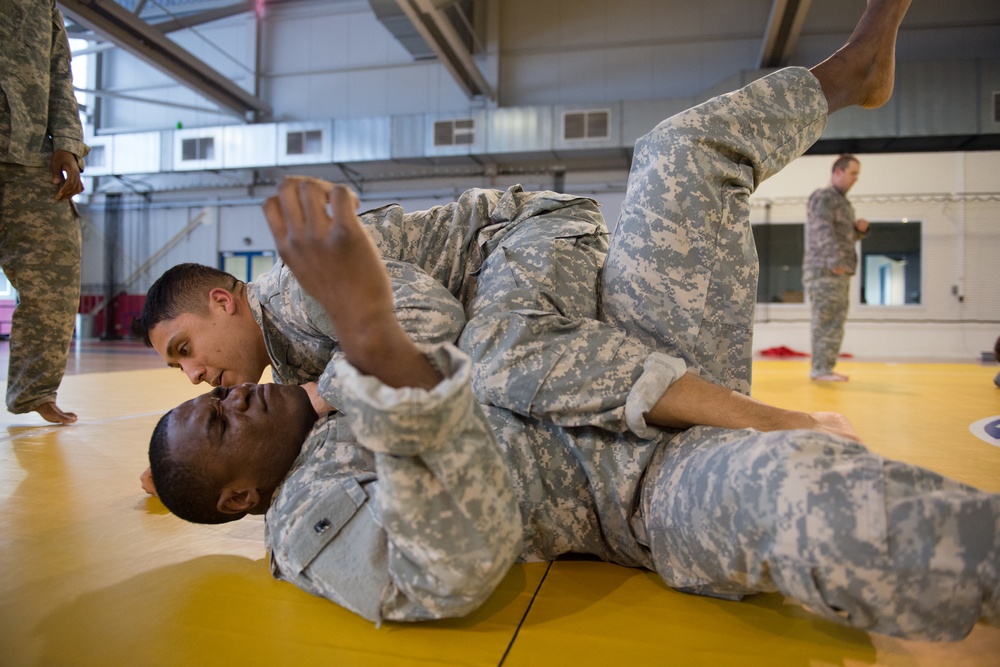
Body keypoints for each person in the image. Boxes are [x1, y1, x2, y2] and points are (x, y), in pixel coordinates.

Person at [149, 0, 1000, 641]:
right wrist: (365, 368)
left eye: (194, 366)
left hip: (582, 303)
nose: (217, 391)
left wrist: (360, 362)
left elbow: (431, 324)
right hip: (646, 490)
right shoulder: (308, 508)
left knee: (502, 350)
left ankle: (844, 75)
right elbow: (452, 571)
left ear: (226, 299)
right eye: (214, 419)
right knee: (800, 495)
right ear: (243, 496)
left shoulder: (304, 306)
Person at [0, 0, 88, 424]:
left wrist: (68, 141)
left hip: (30, 154)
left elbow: (60, 70)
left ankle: (34, 389)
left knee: (56, 271)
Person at [802, 154, 869, 382]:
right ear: (837, 172)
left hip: (835, 271)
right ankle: (820, 369)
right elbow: (822, 232)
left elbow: (840, 236)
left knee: (835, 320)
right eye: (853, 173)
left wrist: (858, 231)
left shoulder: (843, 202)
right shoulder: (824, 198)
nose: (855, 179)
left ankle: (825, 368)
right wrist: (835, 263)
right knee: (826, 319)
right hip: (825, 271)